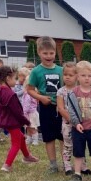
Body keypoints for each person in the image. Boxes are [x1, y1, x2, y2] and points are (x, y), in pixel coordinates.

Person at [26, 36, 63, 172]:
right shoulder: (36, 71)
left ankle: (66, 163)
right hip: (46, 108)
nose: (48, 56)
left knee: (63, 136)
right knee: (49, 137)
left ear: (55, 53)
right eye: (45, 53)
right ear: (39, 53)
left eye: (51, 53)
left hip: (61, 108)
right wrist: (41, 97)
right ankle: (53, 165)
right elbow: (29, 89)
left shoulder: (61, 70)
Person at [0, 66, 39, 172]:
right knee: (16, 143)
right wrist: (26, 122)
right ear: (7, 78)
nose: (16, 81)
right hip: (12, 122)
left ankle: (27, 156)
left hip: (5, 120)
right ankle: (7, 165)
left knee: (21, 137)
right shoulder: (10, 94)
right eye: (14, 78)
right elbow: (17, 112)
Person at [67, 60, 91, 181]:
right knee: (78, 152)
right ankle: (77, 173)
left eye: (89, 75)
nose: (87, 78)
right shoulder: (73, 94)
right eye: (83, 75)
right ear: (77, 77)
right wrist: (76, 123)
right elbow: (71, 110)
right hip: (79, 129)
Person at [21, 77, 40, 147]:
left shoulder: (28, 95)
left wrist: (24, 113)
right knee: (28, 127)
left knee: (32, 127)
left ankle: (35, 140)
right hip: (30, 113)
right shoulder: (32, 93)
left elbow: (27, 105)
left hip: (30, 113)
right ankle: (29, 139)